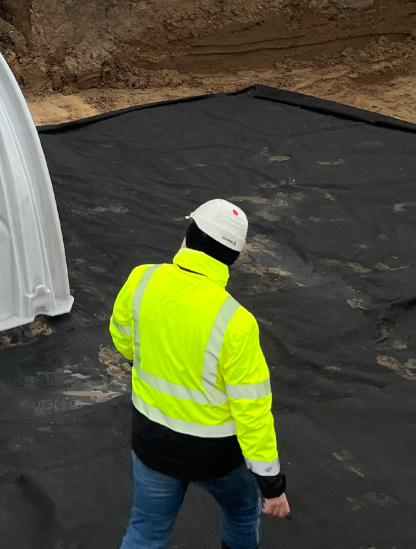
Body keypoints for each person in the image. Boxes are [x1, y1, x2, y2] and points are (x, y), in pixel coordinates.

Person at [110, 200, 290, 549]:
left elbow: (122, 337)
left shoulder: (142, 280)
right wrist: (272, 485)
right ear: (234, 256)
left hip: (152, 441)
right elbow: (252, 411)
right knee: (242, 513)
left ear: (188, 234)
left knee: (146, 531)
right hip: (214, 456)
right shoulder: (235, 321)